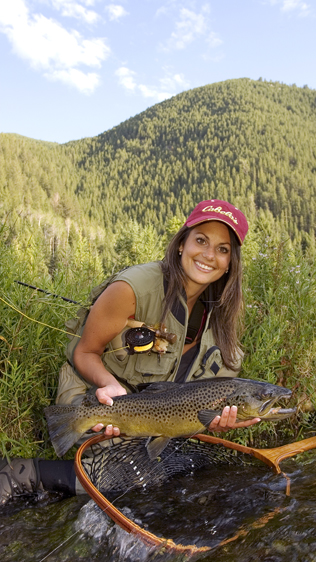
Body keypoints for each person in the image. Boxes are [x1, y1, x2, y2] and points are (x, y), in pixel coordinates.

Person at [0, 199, 260, 503]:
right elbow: (84, 353)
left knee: (172, 475)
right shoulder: (134, 287)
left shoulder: (223, 320)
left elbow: (198, 399)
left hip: (154, 415)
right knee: (131, 478)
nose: (208, 255)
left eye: (222, 249)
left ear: (231, 262)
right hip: (93, 394)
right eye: (200, 240)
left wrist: (215, 420)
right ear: (181, 244)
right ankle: (23, 474)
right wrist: (108, 386)